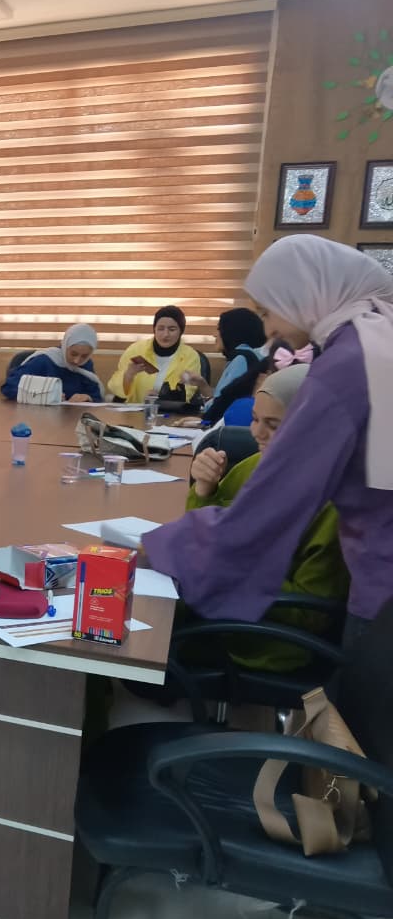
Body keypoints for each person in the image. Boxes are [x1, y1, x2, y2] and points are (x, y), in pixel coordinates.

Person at [142, 235, 393, 649]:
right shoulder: (378, 338)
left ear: (304, 293)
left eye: (267, 311)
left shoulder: (347, 364)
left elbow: (273, 502)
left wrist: (163, 546)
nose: (268, 328)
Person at [181, 364, 348, 670]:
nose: (256, 433)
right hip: (220, 603)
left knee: (145, 639)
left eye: (273, 424)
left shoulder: (333, 504)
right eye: (255, 419)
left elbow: (313, 613)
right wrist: (204, 490)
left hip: (264, 640)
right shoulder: (257, 465)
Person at [181, 307, 266, 423]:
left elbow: (223, 408)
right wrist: (203, 385)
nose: (214, 335)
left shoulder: (241, 360)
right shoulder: (251, 356)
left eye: (219, 329)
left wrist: (203, 421)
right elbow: (221, 400)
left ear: (231, 332)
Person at [106, 305, 202, 404]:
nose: (165, 334)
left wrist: (161, 398)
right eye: (160, 329)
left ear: (181, 331)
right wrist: (128, 375)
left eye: (172, 329)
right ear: (154, 329)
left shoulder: (190, 356)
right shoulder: (135, 350)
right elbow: (114, 388)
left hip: (170, 411)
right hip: (135, 410)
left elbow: (187, 393)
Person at [1, 323, 103, 402]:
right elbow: (9, 387)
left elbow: (97, 397)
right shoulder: (44, 361)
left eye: (84, 356)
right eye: (73, 354)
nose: (77, 360)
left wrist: (88, 397)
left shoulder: (86, 365)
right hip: (37, 416)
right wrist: (43, 395)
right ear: (65, 346)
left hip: (71, 418)